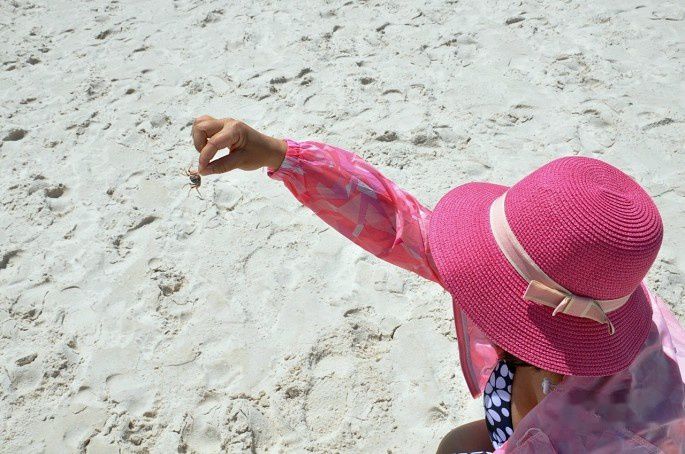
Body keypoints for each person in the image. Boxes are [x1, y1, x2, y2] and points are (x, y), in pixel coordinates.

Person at [190, 116, 685, 453]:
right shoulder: (602, 281)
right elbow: (398, 222)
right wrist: (281, 154)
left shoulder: (605, 436)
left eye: (491, 282)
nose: (468, 285)